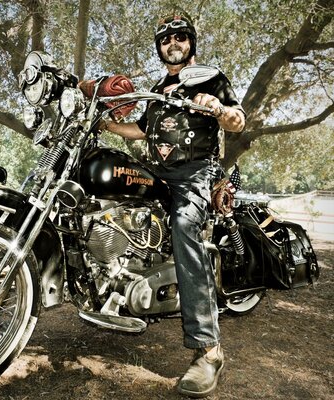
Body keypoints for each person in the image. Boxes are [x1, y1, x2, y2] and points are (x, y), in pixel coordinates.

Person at [103, 15, 246, 398]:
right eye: (166, 39)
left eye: (180, 37)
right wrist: (109, 125)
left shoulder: (210, 78)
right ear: (160, 47)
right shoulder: (157, 88)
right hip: (158, 170)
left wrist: (217, 107)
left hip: (196, 173)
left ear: (191, 42)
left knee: (184, 226)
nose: (173, 43)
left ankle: (209, 352)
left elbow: (237, 121)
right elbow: (142, 130)